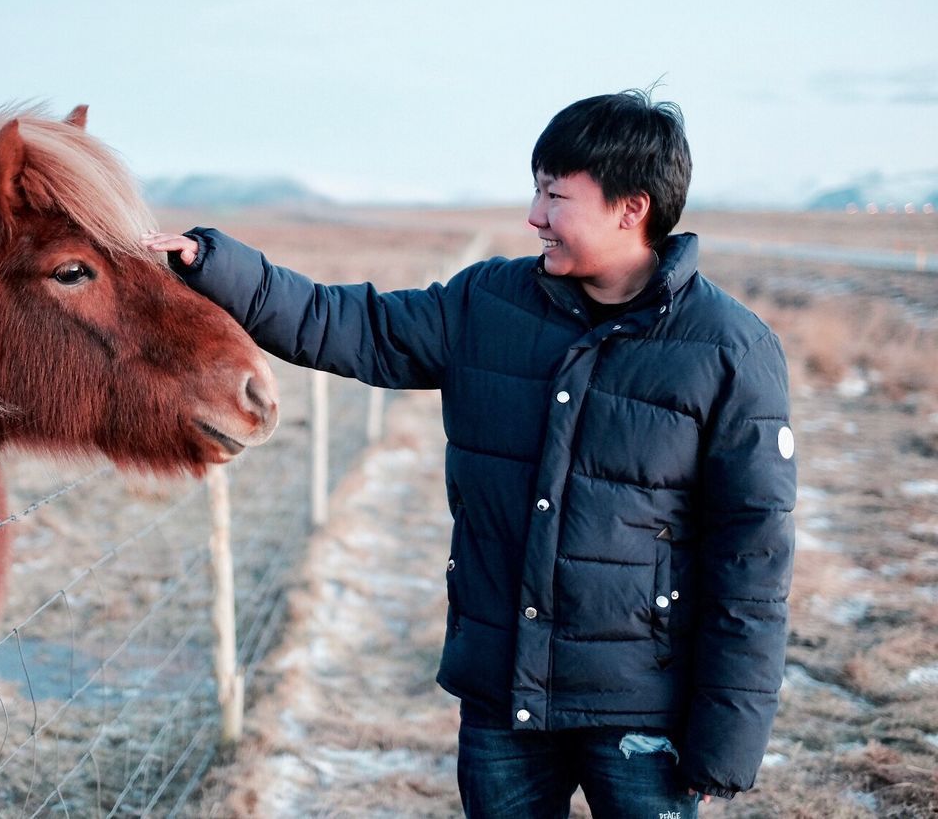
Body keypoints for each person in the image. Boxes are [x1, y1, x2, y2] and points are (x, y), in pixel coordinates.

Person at [143, 90, 796, 818]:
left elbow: (753, 559)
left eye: (555, 195)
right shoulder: (490, 301)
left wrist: (726, 740)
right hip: (502, 697)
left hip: (643, 715)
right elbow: (356, 325)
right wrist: (215, 265)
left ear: (630, 208)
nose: (534, 215)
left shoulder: (731, 350)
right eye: (535, 190)